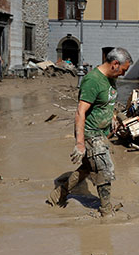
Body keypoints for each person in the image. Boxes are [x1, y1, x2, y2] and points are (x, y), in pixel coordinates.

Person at [53, 47, 132, 216]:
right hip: (91, 132)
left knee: (87, 168)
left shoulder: (111, 78)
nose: (123, 74)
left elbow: (106, 103)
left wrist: (115, 118)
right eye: (123, 70)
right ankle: (106, 210)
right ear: (115, 64)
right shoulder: (93, 80)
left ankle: (57, 196)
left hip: (102, 133)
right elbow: (80, 112)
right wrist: (80, 144)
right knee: (104, 169)